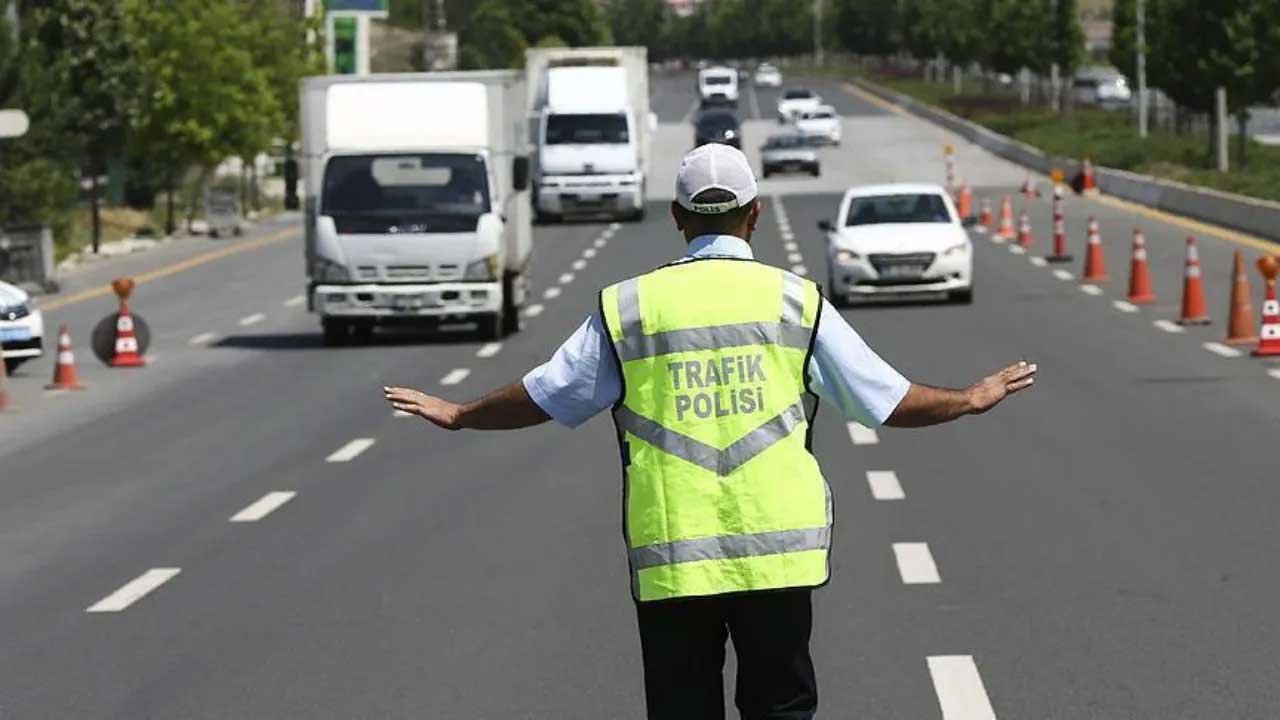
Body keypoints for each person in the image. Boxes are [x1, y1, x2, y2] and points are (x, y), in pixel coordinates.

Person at [384, 143, 1037, 719]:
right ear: (753, 216)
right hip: (777, 557)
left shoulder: (631, 307)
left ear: (677, 218)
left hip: (675, 555)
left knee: (682, 707)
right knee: (780, 706)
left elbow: (549, 394)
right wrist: (969, 398)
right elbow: (886, 401)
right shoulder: (794, 301)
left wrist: (461, 413)